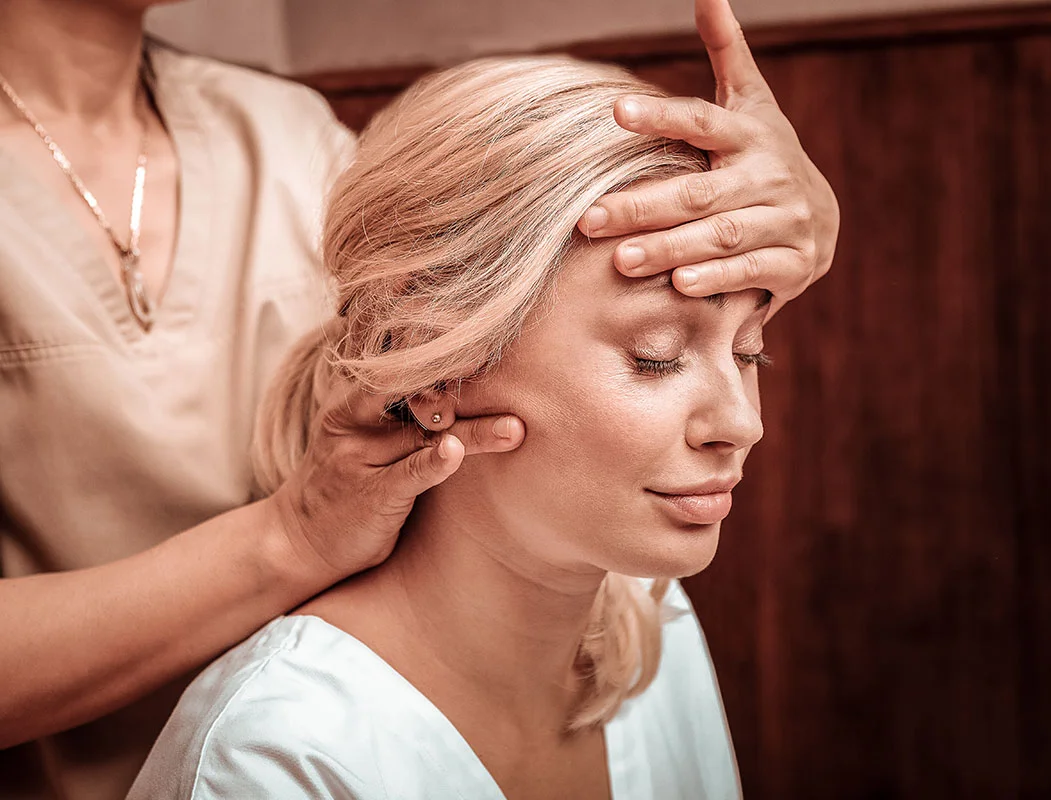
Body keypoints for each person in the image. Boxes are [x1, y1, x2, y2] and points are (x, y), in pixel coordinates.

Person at [0, 0, 838, 797]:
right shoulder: (275, 741)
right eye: (653, 360)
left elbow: (501, 258)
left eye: (753, 353)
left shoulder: (284, 135)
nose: (745, 424)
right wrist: (288, 540)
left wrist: (779, 235)